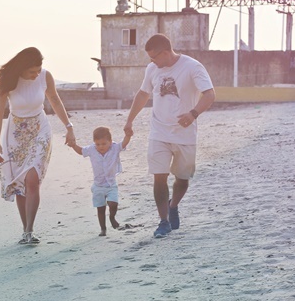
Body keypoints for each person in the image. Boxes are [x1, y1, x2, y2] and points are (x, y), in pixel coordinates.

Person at [123, 33, 216, 238]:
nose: (151, 62)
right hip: (159, 131)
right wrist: (129, 120)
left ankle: (173, 206)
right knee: (159, 177)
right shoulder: (152, 69)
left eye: (154, 57)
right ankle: (163, 221)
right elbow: (143, 94)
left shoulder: (192, 67)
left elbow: (209, 94)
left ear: (165, 52)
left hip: (184, 134)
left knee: (182, 179)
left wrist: (193, 114)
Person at [0, 47, 76, 245]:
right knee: (20, 183)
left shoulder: (45, 77)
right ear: (22, 68)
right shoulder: (7, 81)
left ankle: (30, 230)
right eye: (32, 71)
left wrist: (68, 127)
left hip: (40, 130)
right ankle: (25, 230)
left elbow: (54, 100)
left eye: (39, 69)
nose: (36, 74)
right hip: (15, 134)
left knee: (32, 179)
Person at [70, 126, 132, 236]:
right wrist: (73, 145)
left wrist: (128, 135)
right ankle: (103, 229)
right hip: (98, 185)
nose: (101, 147)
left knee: (113, 203)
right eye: (98, 144)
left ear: (110, 141)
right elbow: (81, 151)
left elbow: (124, 143)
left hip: (111, 184)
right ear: (94, 143)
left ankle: (112, 217)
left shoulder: (114, 148)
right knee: (100, 208)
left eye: (104, 144)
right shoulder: (92, 149)